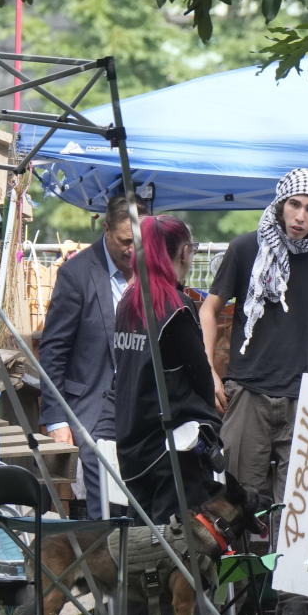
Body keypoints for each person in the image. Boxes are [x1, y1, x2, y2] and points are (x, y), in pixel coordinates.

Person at [199, 167, 308, 615]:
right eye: (294, 205)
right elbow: (209, 307)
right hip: (248, 390)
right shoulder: (248, 247)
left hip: (306, 397)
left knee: (297, 511)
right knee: (234, 504)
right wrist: (210, 370)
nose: (301, 216)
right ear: (280, 203)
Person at [39, 195, 148, 519]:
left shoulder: (152, 272)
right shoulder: (78, 273)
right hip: (91, 405)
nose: (132, 250)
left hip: (141, 409)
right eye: (125, 241)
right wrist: (57, 419)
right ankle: (108, 562)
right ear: (106, 230)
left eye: (139, 242)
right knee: (105, 502)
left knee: (140, 503)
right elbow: (54, 349)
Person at [110, 215, 223, 524]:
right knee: (178, 548)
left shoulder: (127, 302)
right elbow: (202, 381)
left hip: (133, 442)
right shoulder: (176, 307)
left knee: (144, 542)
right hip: (172, 448)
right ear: (183, 251)